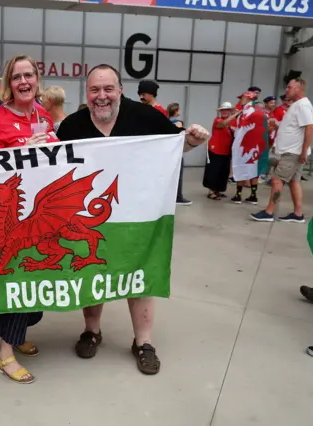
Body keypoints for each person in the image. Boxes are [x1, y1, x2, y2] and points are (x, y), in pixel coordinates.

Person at [56, 64, 209, 375]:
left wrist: (193, 141)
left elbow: (174, 147)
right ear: (86, 94)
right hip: (90, 216)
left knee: (138, 275)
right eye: (94, 90)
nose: (102, 96)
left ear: (120, 90)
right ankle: (92, 331)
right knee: (92, 272)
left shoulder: (147, 117)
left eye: (108, 89)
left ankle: (143, 342)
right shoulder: (71, 126)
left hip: (139, 216)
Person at [0, 54, 59, 383]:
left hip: (39, 213)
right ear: (8, 85)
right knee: (18, 283)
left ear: (37, 79)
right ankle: (5, 353)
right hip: (15, 218)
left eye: (29, 75)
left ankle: (19, 332)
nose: (24, 82)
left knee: (37, 288)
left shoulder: (43, 114)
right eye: (17, 77)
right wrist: (22, 150)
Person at [250, 78, 313, 223]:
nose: (287, 90)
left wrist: (303, 151)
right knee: (294, 181)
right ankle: (298, 214)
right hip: (292, 150)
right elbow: (294, 127)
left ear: (299, 89)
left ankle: (269, 212)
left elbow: (310, 127)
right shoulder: (296, 105)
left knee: (277, 179)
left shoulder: (303, 105)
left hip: (292, 152)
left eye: (290, 87)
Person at [230, 91, 267, 205]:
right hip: (257, 145)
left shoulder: (247, 111)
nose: (240, 100)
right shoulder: (260, 111)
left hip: (244, 144)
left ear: (247, 98)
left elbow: (241, 128)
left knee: (240, 167)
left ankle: (238, 195)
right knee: (253, 169)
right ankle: (253, 195)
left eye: (242, 98)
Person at [203, 102, 238, 200]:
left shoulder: (234, 121)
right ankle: (211, 191)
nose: (224, 112)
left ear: (230, 111)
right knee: (214, 171)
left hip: (226, 150)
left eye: (226, 110)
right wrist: (235, 114)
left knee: (223, 172)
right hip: (215, 149)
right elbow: (222, 124)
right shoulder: (217, 120)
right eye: (222, 110)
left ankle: (218, 190)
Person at [167, 103, 191, 205]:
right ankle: (178, 197)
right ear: (176, 111)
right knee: (178, 175)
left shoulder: (165, 121)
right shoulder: (178, 123)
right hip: (176, 152)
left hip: (168, 152)